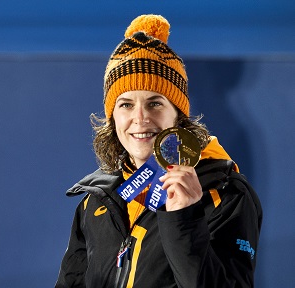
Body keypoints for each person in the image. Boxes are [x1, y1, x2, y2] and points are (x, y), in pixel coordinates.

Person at [55, 14, 262, 288]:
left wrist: (184, 218)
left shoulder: (225, 193)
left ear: (178, 115)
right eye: (126, 105)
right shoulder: (97, 201)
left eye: (155, 103)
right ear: (112, 117)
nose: (140, 119)